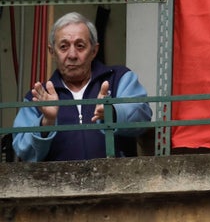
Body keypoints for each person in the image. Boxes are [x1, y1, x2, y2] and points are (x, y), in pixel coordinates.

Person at [13, 12, 152, 161]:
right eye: (63, 47)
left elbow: (143, 117)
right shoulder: (38, 97)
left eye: (80, 46)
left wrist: (113, 112)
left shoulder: (119, 78)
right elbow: (23, 151)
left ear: (94, 51)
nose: (72, 55)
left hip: (116, 181)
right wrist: (47, 122)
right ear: (52, 52)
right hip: (59, 183)